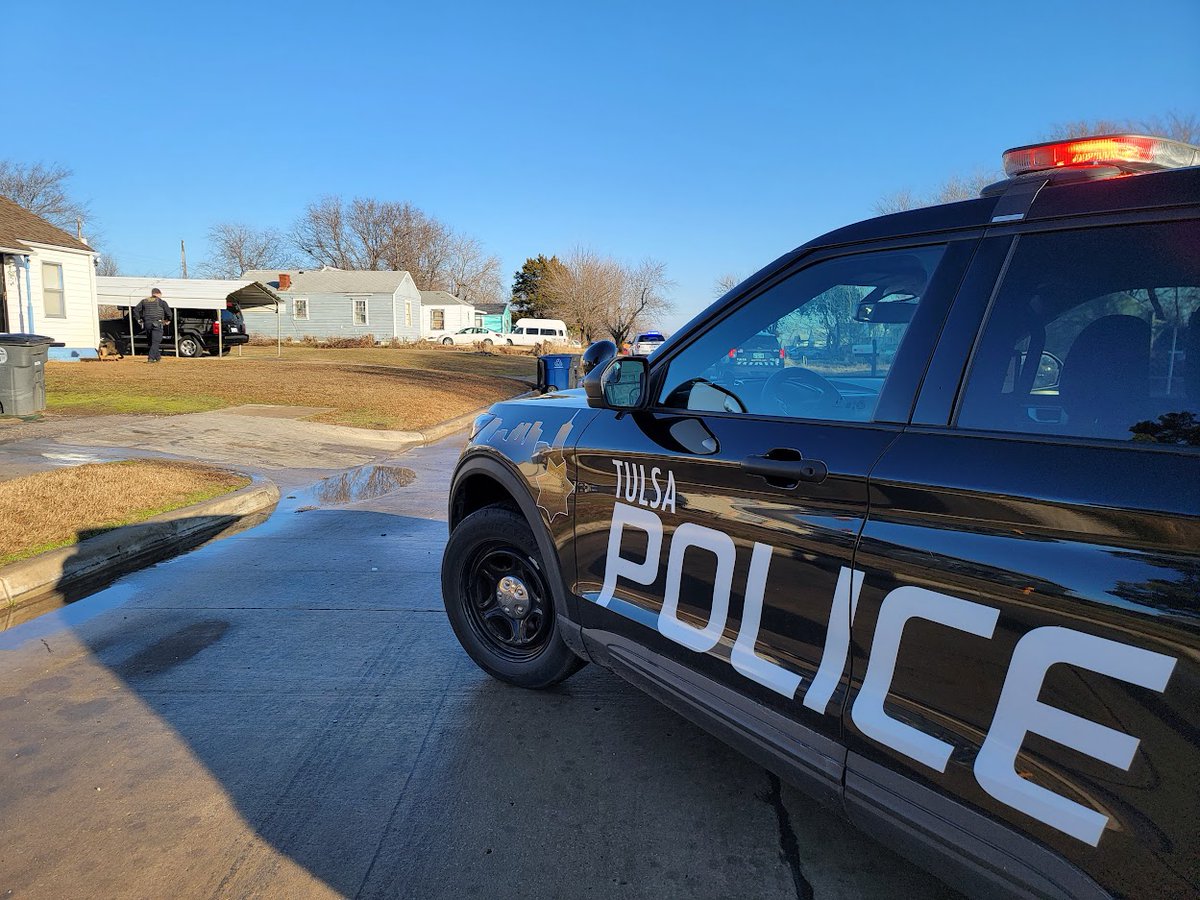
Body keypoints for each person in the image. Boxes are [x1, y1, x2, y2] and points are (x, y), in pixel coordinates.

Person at [134, 288, 172, 363]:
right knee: (156, 342)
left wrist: (139, 319)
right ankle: (150, 358)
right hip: (157, 324)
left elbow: (135, 310)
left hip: (147, 324)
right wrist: (168, 320)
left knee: (152, 342)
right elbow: (169, 313)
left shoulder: (144, 301)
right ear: (158, 294)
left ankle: (158, 358)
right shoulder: (161, 302)